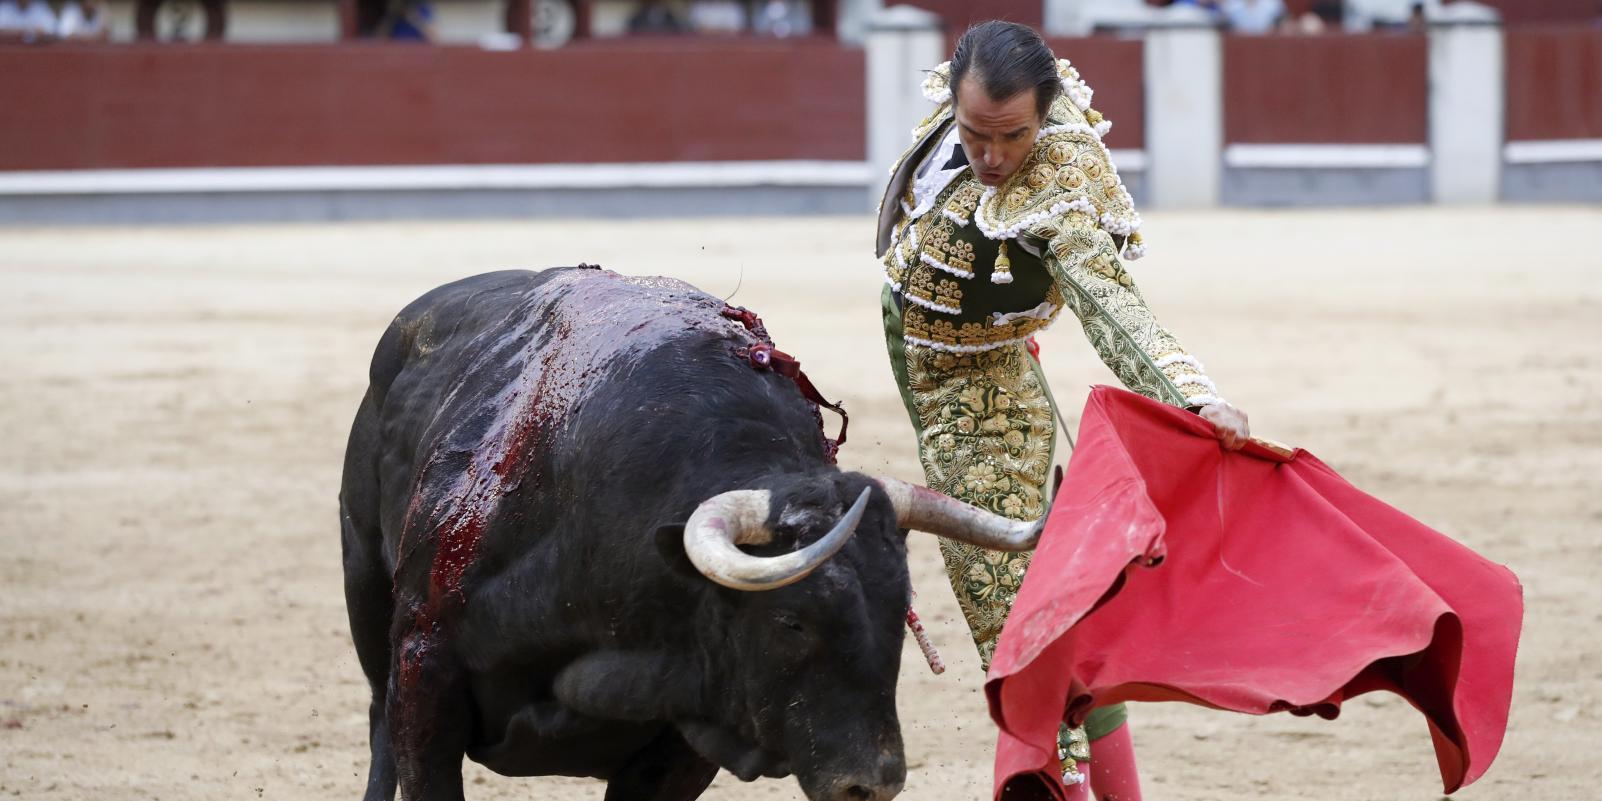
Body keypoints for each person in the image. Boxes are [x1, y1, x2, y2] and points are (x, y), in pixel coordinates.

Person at [875, 20, 1250, 801]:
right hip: (941, 366)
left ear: (1042, 116)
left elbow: (1114, 307)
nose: (991, 156)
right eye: (976, 132)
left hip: (984, 398)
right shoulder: (971, 109)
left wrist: (1190, 395)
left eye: (1012, 136)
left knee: (1024, 630)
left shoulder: (1057, 185)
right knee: (1048, 617)